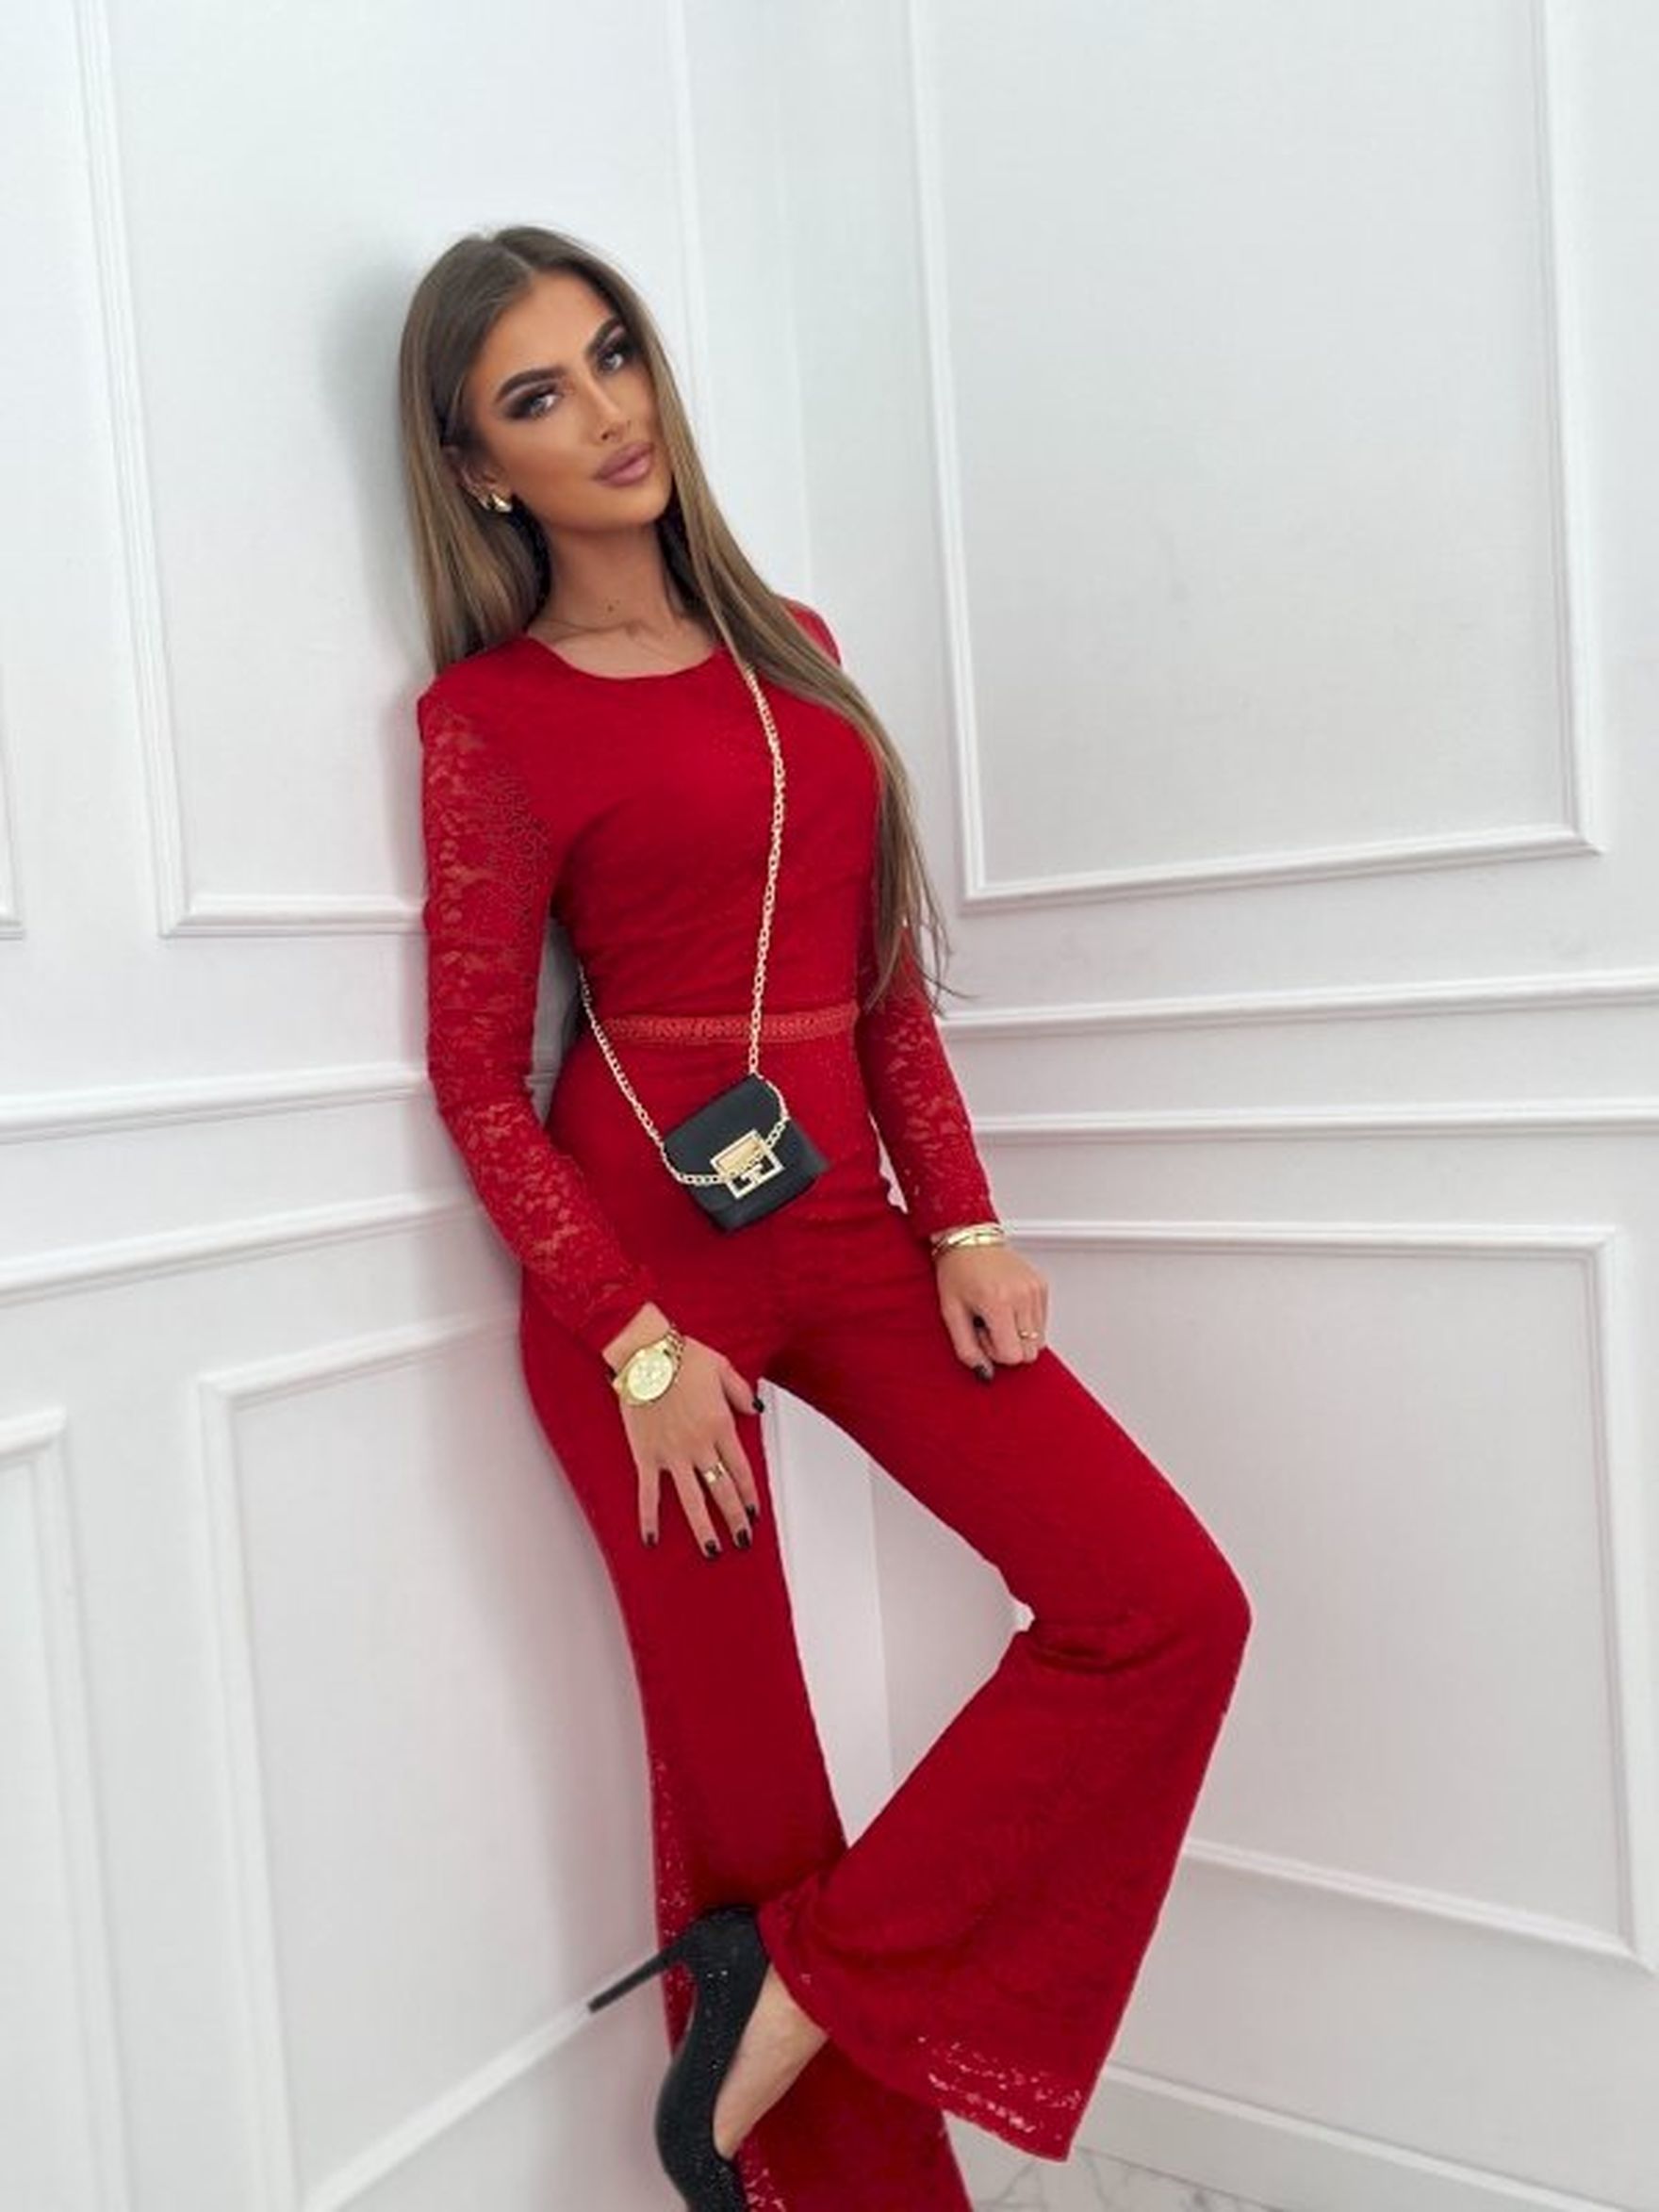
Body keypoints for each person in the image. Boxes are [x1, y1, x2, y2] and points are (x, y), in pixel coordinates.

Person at [398, 223, 1253, 2212]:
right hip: (642, 1276)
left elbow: (877, 988)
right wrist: (636, 1346)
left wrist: (962, 1224)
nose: (606, 412)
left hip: (843, 1219)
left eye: (615, 354)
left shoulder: (796, 641)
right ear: (476, 467)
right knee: (757, 1791)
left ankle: (769, 1999)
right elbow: (476, 1079)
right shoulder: (490, 719)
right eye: (537, 395)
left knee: (1161, 1604)